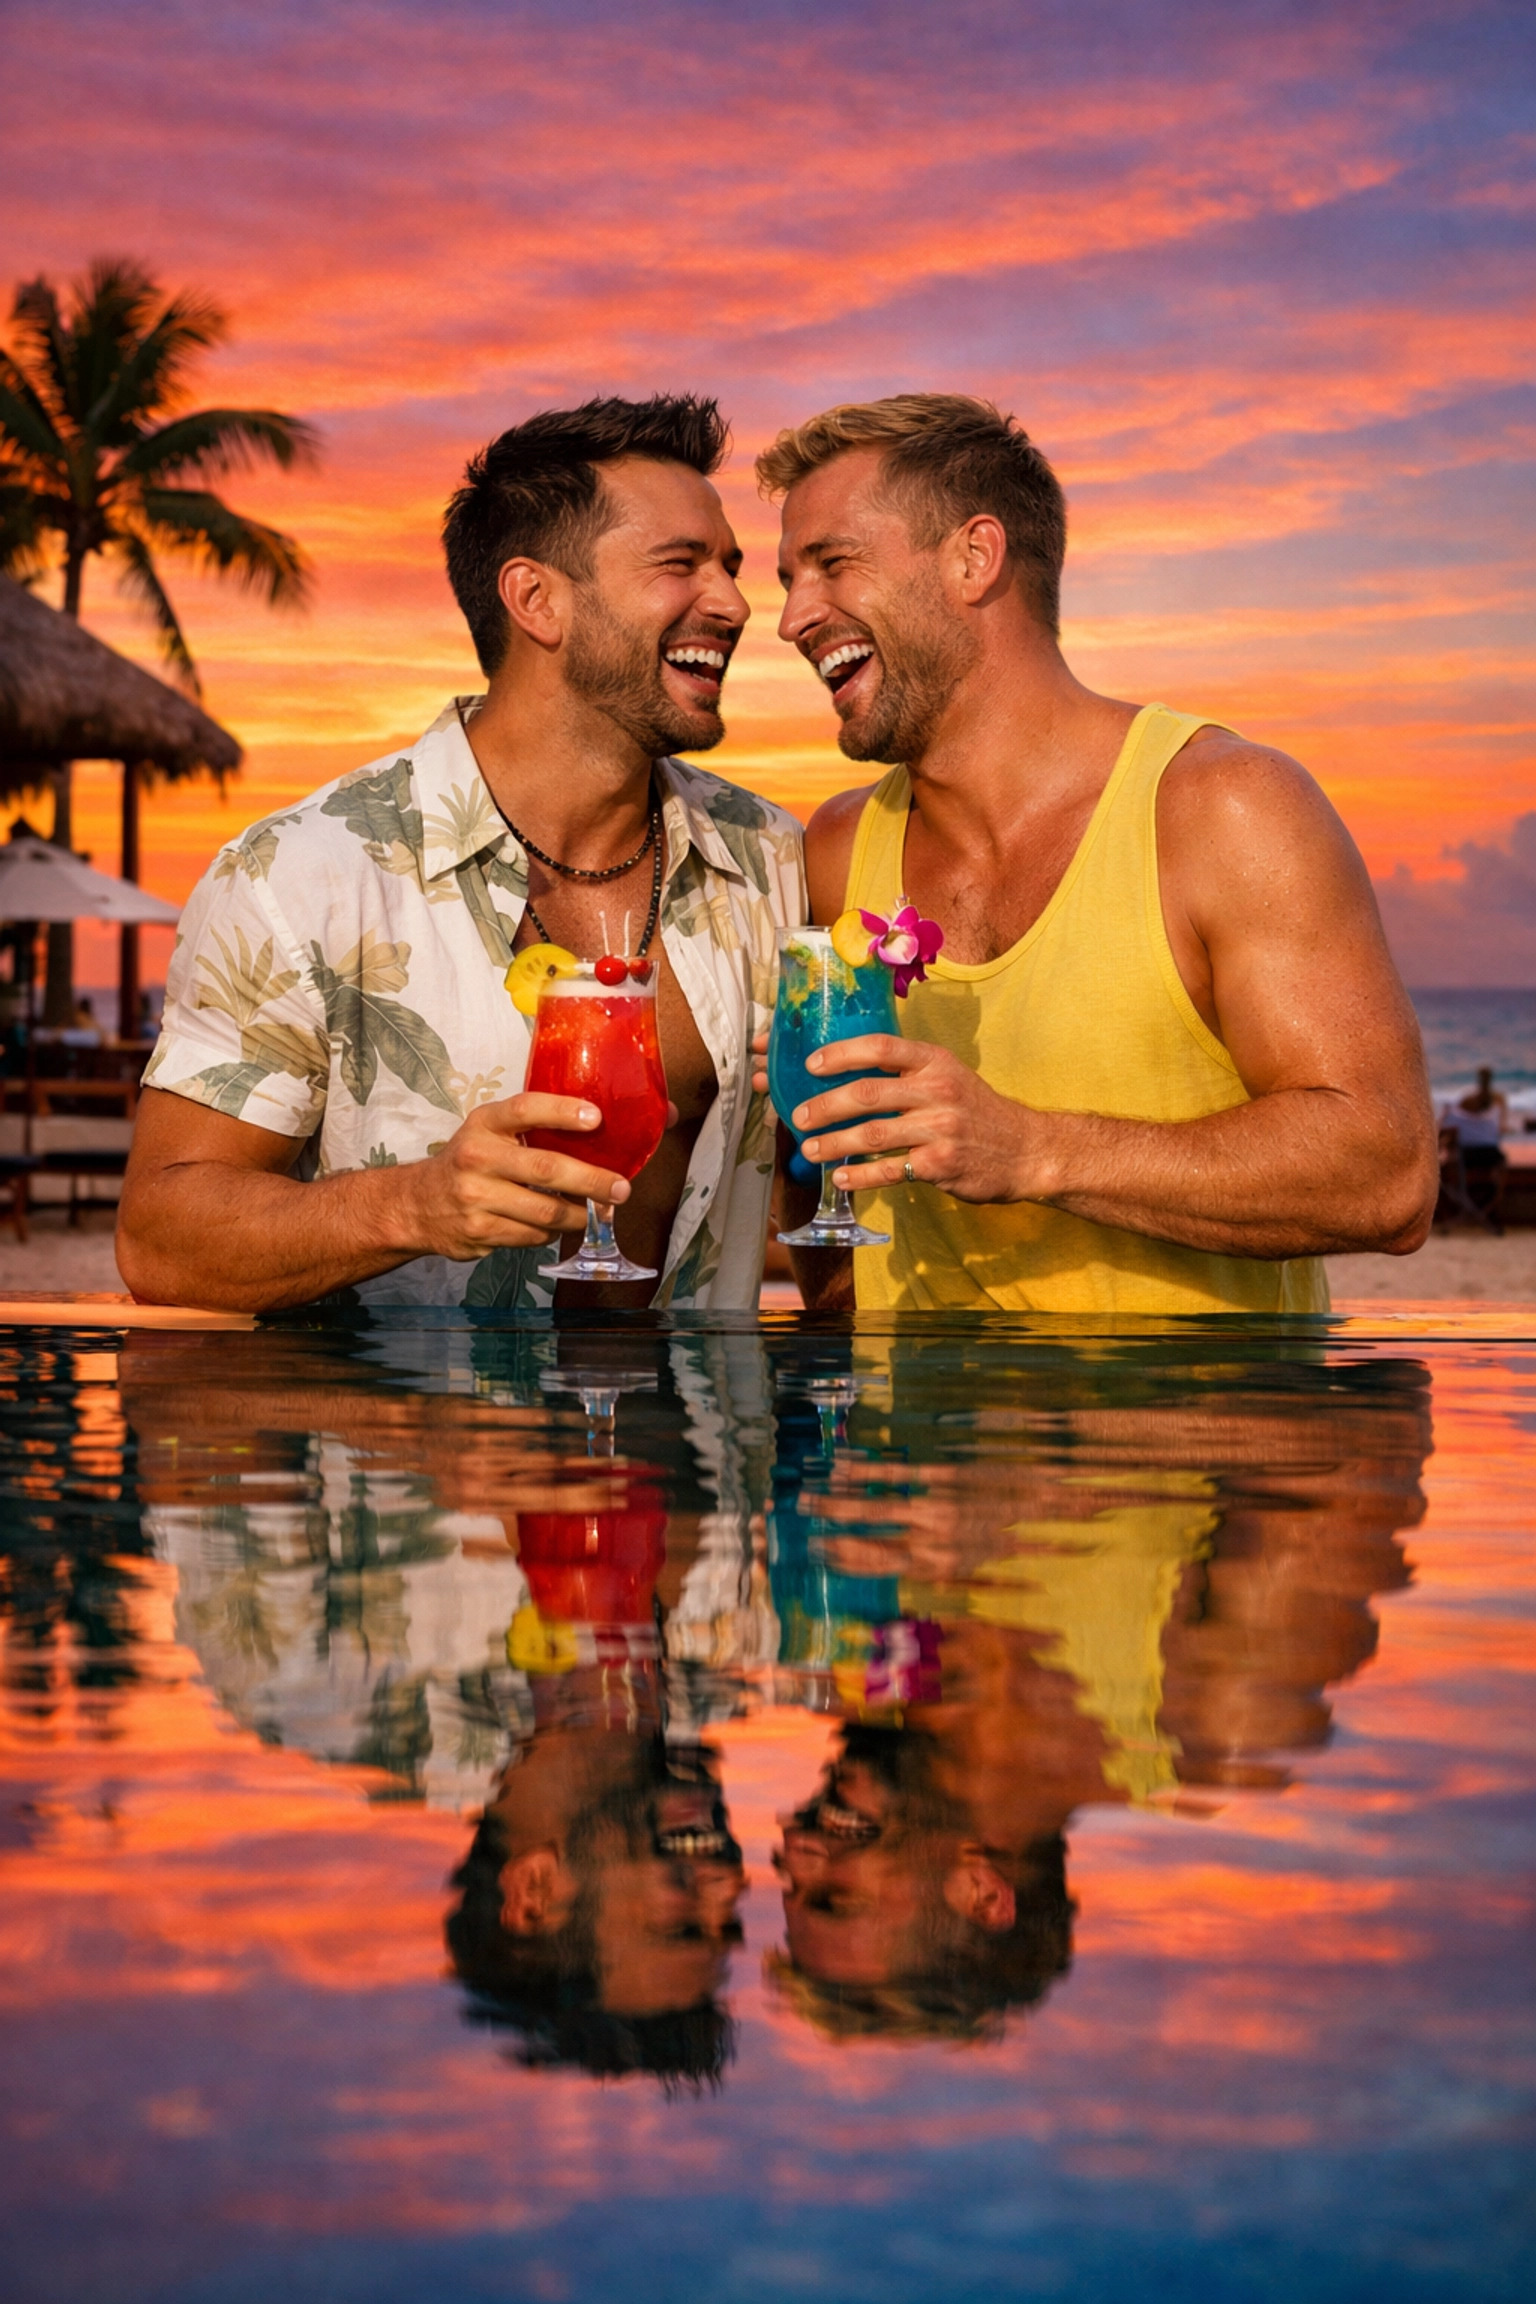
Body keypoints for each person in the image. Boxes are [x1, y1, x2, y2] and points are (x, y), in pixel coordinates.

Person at [118, 394, 805, 1314]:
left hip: (710, 1450)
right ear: (536, 600)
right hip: (427, 1448)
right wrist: (414, 1205)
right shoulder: (303, 875)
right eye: (681, 564)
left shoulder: (770, 864)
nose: (733, 602)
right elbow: (160, 1237)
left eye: (729, 566)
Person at [755, 394, 1439, 1313]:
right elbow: (815, 1183)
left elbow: (1387, 1173)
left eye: (832, 564)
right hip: (904, 1449)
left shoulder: (1222, 809)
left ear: (974, 557)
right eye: (790, 578)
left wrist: (1032, 1149)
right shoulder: (835, 850)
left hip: (1190, 1442)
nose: (794, 617)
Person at [1443, 1067, 1509, 1227]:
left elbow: (1446, 1129)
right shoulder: (1497, 1103)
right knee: (1502, 1165)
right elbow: (1501, 1128)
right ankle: (1492, 1209)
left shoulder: (1465, 1103)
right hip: (1490, 1157)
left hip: (1466, 1158)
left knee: (1447, 1166)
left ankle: (1462, 1210)